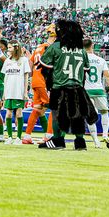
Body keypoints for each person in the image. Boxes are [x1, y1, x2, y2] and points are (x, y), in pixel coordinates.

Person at [38, 19, 93, 150]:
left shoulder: (56, 47)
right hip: (78, 86)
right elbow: (85, 71)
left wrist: (49, 85)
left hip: (60, 85)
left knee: (58, 114)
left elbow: (45, 67)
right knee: (78, 115)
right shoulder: (81, 50)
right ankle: (80, 142)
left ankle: (58, 140)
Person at [22, 26, 56, 144]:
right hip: (44, 82)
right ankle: (49, 135)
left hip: (35, 81)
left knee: (37, 109)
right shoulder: (51, 48)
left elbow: (30, 63)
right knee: (54, 107)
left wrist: (32, 78)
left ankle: (27, 136)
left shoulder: (38, 47)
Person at [83, 39, 109, 150]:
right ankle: (105, 134)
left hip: (86, 90)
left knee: (90, 116)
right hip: (99, 90)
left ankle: (96, 141)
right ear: (92, 45)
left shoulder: (81, 60)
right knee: (104, 112)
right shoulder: (101, 60)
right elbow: (107, 77)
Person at [0, 43, 30, 145]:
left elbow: (26, 77)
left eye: (9, 47)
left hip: (19, 91)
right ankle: (9, 137)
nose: (8, 49)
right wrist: (4, 93)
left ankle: (18, 137)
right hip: (9, 91)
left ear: (16, 48)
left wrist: (25, 92)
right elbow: (5, 77)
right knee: (8, 114)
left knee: (18, 113)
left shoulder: (24, 60)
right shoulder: (7, 61)